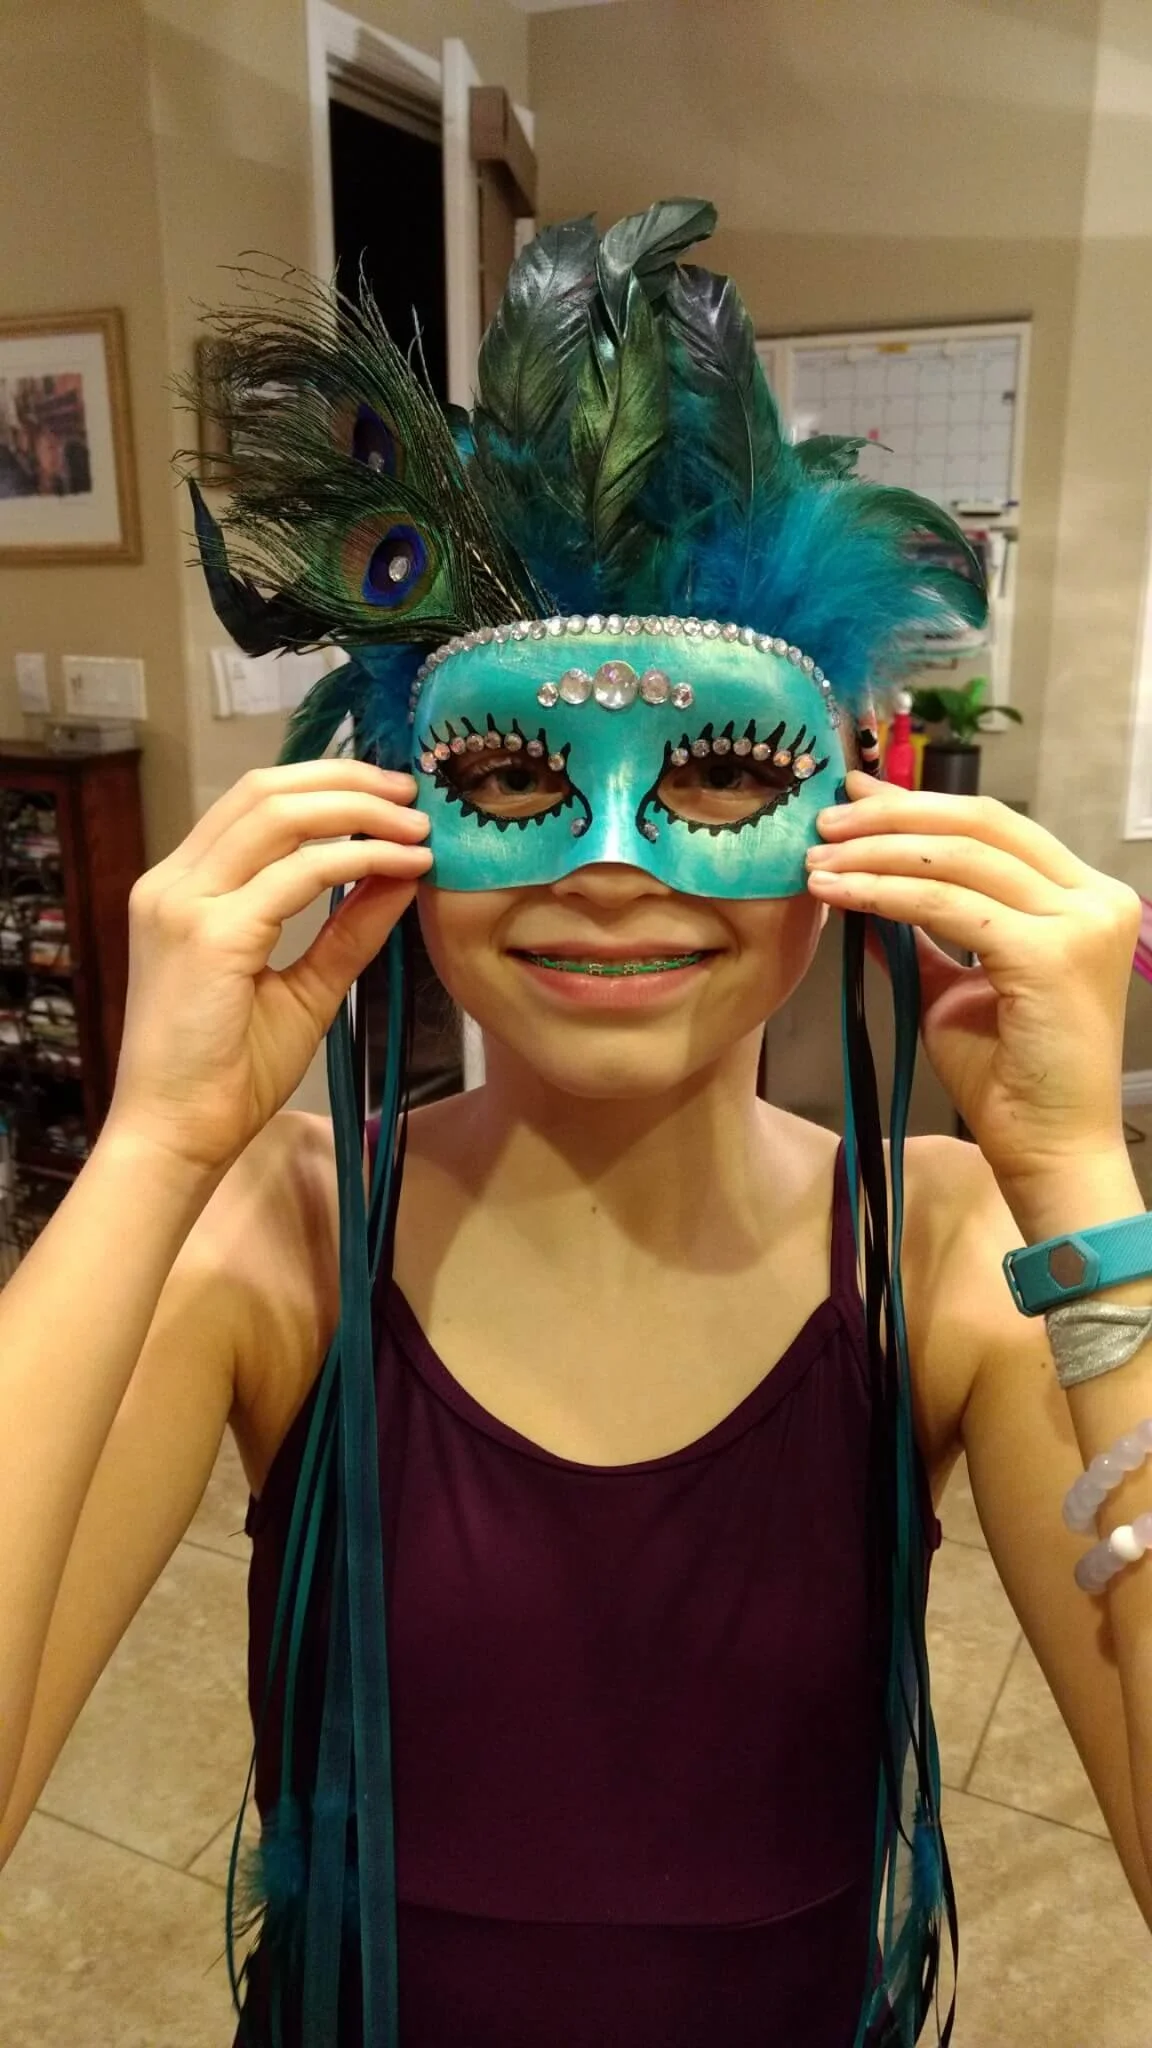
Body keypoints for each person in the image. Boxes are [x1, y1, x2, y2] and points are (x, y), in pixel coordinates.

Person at [1, 202, 1150, 2048]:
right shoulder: (276, 1235)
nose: (612, 865)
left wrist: (1084, 1176)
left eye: (723, 773)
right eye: (513, 773)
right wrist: (151, 1148)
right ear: (394, 812)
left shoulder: (945, 1255)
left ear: (858, 822)